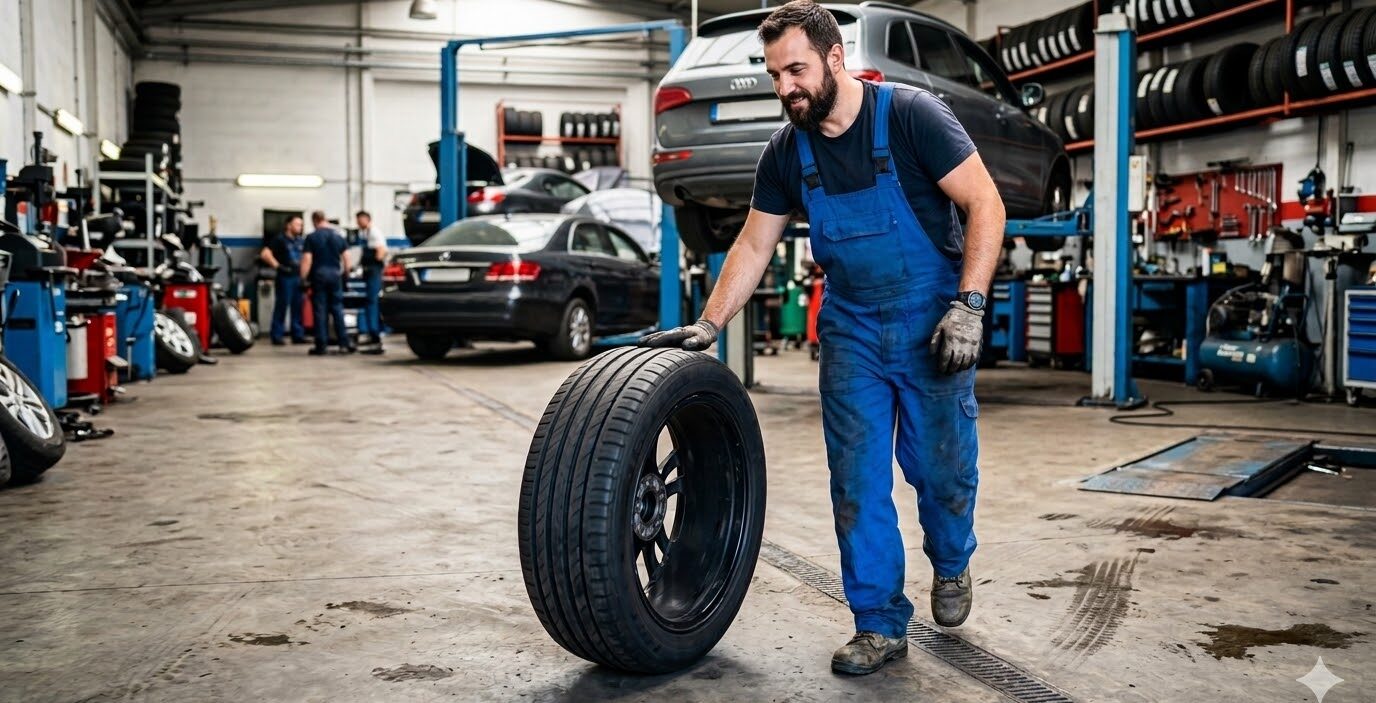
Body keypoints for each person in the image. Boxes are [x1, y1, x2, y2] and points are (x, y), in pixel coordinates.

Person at [641, 0, 1003, 676]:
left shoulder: (911, 117)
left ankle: (951, 561)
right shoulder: (787, 151)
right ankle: (878, 621)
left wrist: (969, 305)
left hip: (933, 322)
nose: (785, 88)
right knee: (857, 482)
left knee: (942, 472)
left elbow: (986, 202)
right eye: (775, 74)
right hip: (853, 331)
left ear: (836, 58)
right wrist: (710, 323)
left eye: (796, 71)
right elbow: (753, 243)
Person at [300, 210, 354, 355]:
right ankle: (344, 344)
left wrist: (303, 278)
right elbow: (347, 258)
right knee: (337, 309)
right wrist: (346, 275)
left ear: (315, 221)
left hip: (319, 276)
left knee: (320, 310)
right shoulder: (338, 236)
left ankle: (321, 345)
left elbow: (307, 260)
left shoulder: (311, 237)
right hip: (335, 275)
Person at [259, 214, 307, 345]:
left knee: (298, 307)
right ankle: (277, 335)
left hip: (298, 277)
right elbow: (265, 254)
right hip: (285, 277)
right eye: (297, 224)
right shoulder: (280, 240)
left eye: (301, 225)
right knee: (282, 306)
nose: (300, 227)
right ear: (288, 225)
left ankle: (297, 335)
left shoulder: (301, 241)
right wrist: (278, 267)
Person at [354, 210, 387, 349]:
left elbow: (381, 250)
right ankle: (372, 332)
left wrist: (372, 264)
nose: (357, 222)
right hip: (369, 271)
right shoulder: (365, 233)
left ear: (366, 219)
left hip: (374, 271)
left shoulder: (374, 232)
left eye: (359, 219)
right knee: (369, 301)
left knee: (372, 301)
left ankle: (375, 334)